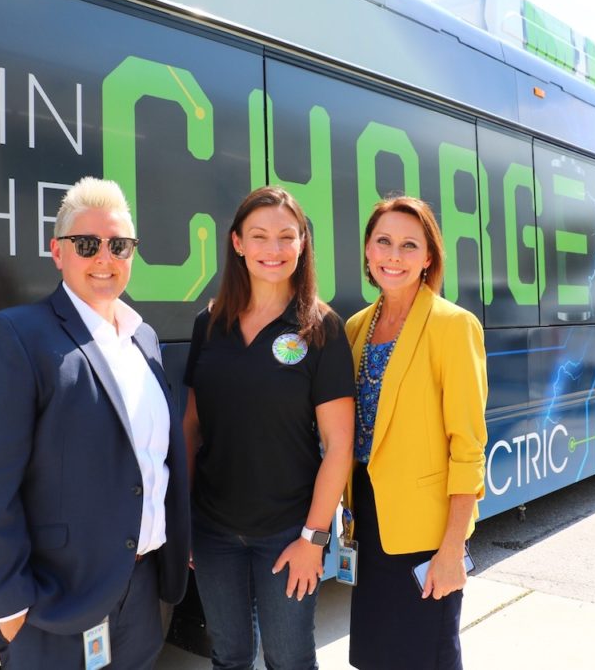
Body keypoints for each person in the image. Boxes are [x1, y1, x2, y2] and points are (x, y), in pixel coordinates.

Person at [0, 177, 190, 668]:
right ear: (58, 252)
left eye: (119, 245)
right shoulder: (15, 335)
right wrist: (9, 603)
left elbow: (151, 458)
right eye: (87, 244)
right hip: (55, 602)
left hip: (139, 592)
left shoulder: (143, 337)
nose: (105, 257)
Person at [183, 186, 354, 669]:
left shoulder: (321, 328)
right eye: (259, 236)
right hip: (214, 532)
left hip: (288, 534)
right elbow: (191, 427)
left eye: (286, 237)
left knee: (289, 658)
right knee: (229, 654)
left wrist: (313, 539)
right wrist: (185, 521)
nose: (273, 250)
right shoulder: (209, 323)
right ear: (237, 243)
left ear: (303, 243)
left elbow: (339, 446)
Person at [345, 196, 487, 670]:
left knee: (428, 658)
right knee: (375, 657)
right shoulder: (355, 328)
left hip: (427, 535)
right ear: (367, 250)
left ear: (428, 258)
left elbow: (467, 447)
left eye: (410, 245)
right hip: (369, 522)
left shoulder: (453, 325)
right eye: (383, 241)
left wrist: (452, 549)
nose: (394, 255)